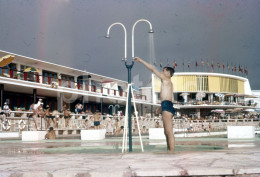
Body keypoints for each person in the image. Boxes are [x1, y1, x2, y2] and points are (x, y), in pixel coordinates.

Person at [135, 57, 175, 151]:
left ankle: (171, 151)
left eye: (164, 70)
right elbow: (169, 99)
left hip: (166, 105)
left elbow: (152, 69)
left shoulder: (166, 79)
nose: (162, 71)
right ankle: (170, 150)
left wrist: (141, 60)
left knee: (168, 131)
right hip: (167, 105)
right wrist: (161, 108)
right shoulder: (169, 83)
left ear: (168, 73)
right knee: (167, 132)